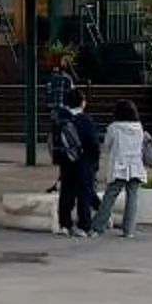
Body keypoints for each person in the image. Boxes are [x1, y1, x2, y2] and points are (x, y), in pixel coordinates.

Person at [97, 97, 152, 236]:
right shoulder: (139, 127)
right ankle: (129, 230)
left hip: (119, 167)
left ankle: (99, 226)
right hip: (136, 166)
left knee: (109, 197)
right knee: (132, 198)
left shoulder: (114, 128)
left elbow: (107, 146)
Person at [50, 88, 101, 238]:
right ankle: (83, 226)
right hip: (84, 161)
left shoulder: (60, 119)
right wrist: (95, 162)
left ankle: (65, 224)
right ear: (82, 102)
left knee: (67, 192)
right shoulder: (85, 120)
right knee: (84, 193)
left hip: (65, 161)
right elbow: (93, 143)